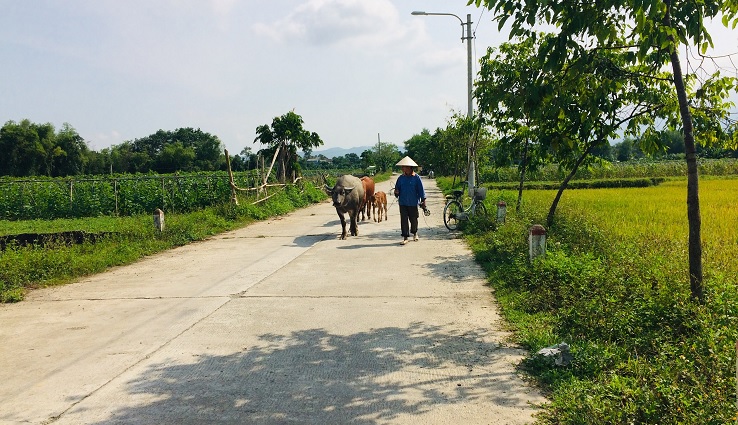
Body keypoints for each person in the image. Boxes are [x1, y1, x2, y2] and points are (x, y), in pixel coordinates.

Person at [393, 156, 426, 245]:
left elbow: (421, 190)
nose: (403, 168)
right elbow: (397, 191)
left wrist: (423, 201)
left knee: (414, 219)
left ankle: (415, 233)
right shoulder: (400, 178)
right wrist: (396, 192)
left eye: (404, 167)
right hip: (403, 202)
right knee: (404, 219)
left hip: (413, 202)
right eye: (403, 167)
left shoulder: (416, 178)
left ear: (410, 167)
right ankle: (405, 237)